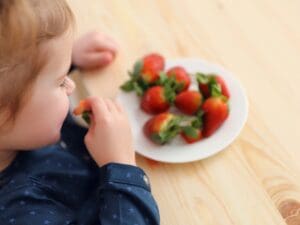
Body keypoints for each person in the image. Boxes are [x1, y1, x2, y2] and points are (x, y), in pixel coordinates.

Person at [0, 0, 160, 224]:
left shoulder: (19, 128)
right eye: (60, 81)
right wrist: (121, 166)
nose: (71, 86)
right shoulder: (23, 213)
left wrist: (60, 57)